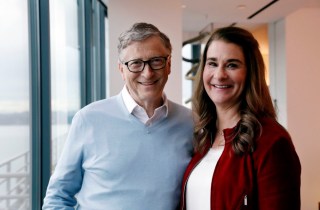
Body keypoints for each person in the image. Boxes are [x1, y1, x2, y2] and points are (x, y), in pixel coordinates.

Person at [43, 22, 195, 210]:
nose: (147, 73)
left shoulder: (191, 123)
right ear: (121, 69)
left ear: (169, 64)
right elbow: (57, 198)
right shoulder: (88, 119)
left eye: (156, 61)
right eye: (136, 63)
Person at [180, 26, 301, 210]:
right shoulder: (202, 136)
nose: (219, 75)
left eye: (232, 65)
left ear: (251, 73)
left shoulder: (272, 142)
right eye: (212, 63)